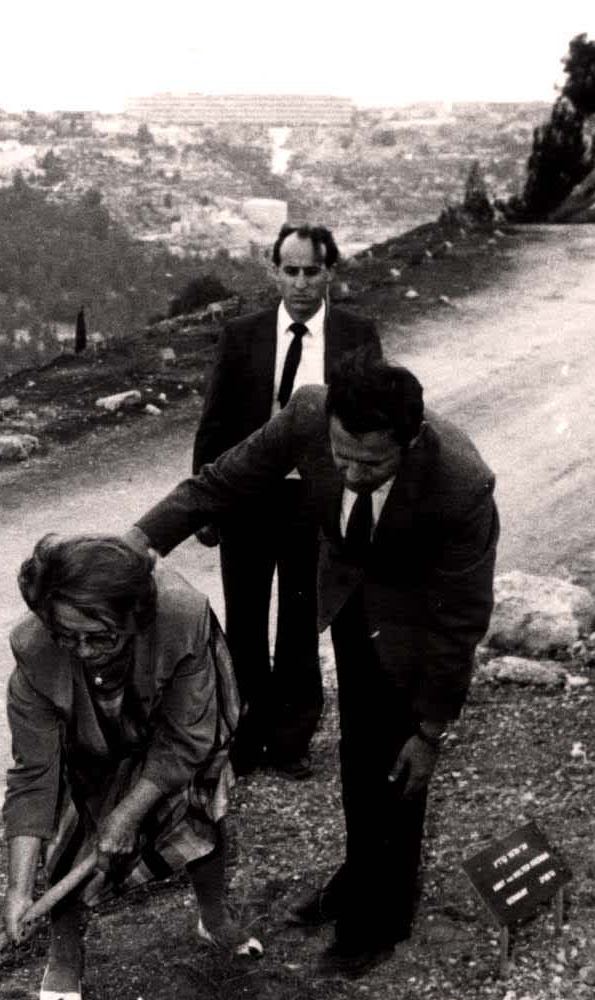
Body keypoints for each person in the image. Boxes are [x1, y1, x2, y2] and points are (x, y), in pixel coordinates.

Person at [128, 362, 497, 977]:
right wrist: (139, 540)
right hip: (352, 590)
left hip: (416, 614)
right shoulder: (307, 412)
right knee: (361, 748)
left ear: (408, 442)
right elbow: (217, 484)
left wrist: (431, 731)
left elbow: (461, 619)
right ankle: (360, 877)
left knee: (399, 763)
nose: (351, 474)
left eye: (371, 466)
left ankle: (380, 921)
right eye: (340, 456)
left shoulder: (462, 485)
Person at [0, 534, 259, 1000]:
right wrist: (18, 890)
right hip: (94, 719)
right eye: (66, 635)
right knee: (72, 811)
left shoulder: (180, 618)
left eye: (100, 637)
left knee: (200, 794)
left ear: (135, 620)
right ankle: (65, 942)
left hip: (174, 709)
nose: (83, 650)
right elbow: (34, 775)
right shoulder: (36, 652)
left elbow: (186, 739)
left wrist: (128, 814)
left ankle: (213, 914)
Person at [193, 222, 382, 779]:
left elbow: (371, 424)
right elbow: (215, 423)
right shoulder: (242, 335)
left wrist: (360, 504)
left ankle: (292, 739)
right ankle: (246, 736)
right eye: (290, 271)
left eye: (312, 272)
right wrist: (208, 501)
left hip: (315, 505)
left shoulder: (355, 335)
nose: (300, 284)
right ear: (274, 271)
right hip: (249, 501)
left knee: (302, 620)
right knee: (244, 620)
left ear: (331, 273)